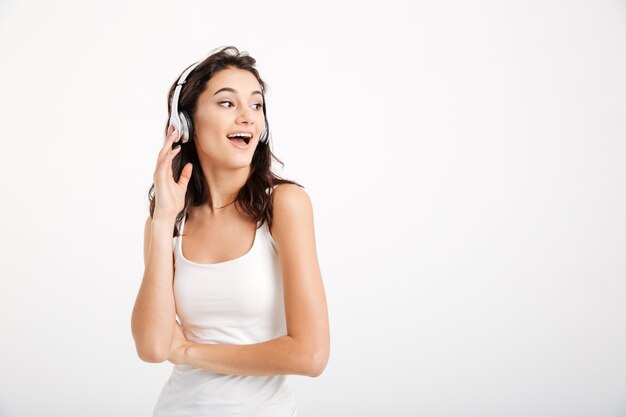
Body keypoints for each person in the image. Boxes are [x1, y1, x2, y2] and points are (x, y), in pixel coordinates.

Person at [130, 46, 330, 417]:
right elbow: (153, 347)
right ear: (186, 122)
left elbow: (311, 354)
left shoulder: (283, 205)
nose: (248, 118)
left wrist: (189, 351)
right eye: (227, 104)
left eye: (256, 105)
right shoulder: (169, 221)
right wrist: (161, 222)